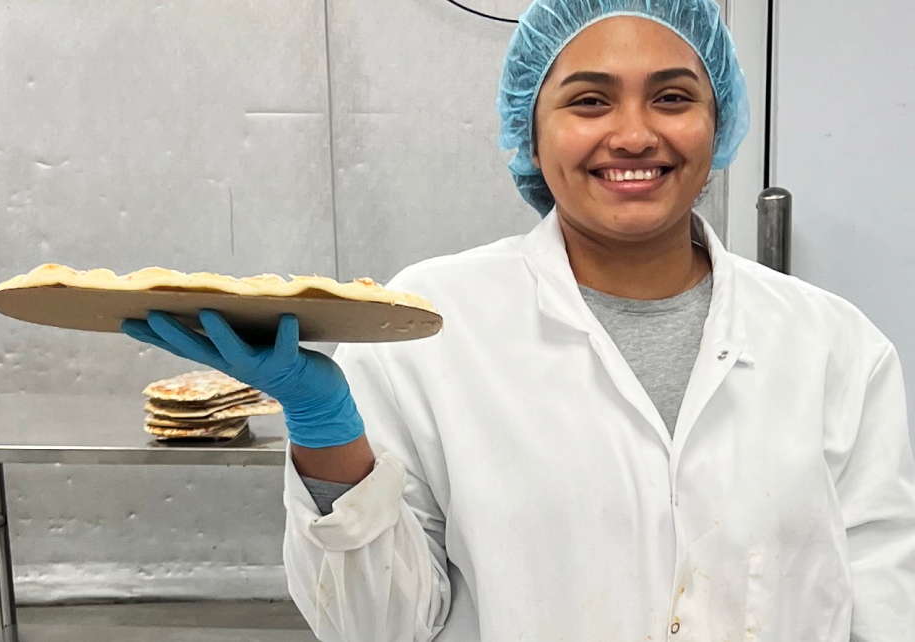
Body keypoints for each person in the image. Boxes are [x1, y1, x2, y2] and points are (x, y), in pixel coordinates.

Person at [122, 0, 915, 639]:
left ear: (719, 123)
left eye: (673, 97)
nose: (635, 133)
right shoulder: (427, 328)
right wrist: (329, 440)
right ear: (532, 132)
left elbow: (883, 605)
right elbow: (377, 627)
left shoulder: (838, 350)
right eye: (590, 101)